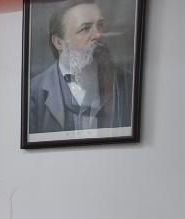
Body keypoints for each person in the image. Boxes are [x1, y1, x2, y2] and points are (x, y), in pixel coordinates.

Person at [28, 1, 132, 134]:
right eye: (85, 29)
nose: (98, 35)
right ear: (59, 43)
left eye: (100, 25)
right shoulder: (34, 91)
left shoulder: (127, 83)